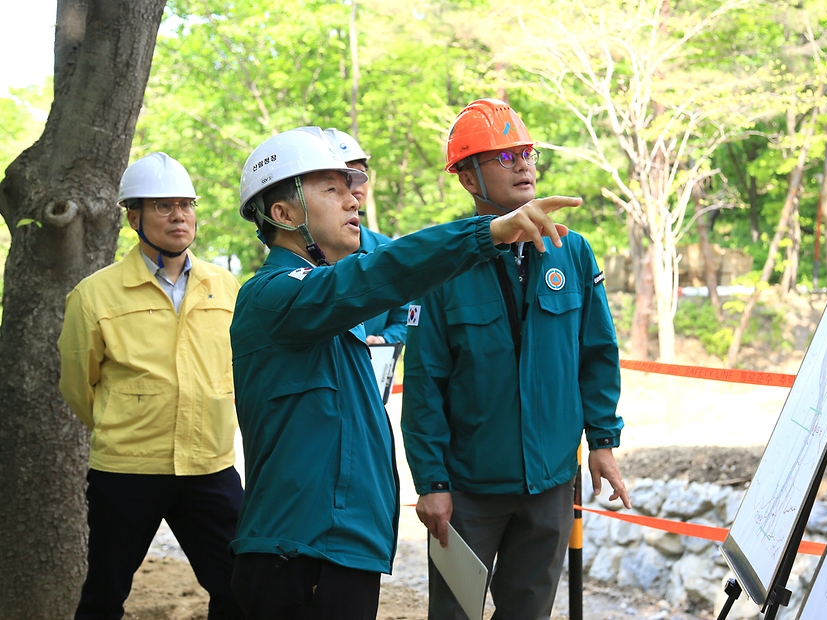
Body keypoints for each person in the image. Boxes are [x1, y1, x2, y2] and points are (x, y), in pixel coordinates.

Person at [227, 126, 579, 620]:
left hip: (340, 551)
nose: (353, 199)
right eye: (331, 189)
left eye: (352, 186)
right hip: (297, 556)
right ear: (283, 215)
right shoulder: (273, 296)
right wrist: (491, 232)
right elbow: (380, 274)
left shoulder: (323, 306)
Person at [400, 98, 631, 620]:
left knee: (528, 614)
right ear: (467, 178)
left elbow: (597, 353)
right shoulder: (443, 264)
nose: (523, 164)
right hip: (468, 490)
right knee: (454, 614)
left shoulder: (573, 252)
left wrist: (603, 442)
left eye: (525, 152)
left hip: (550, 483)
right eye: (503, 157)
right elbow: (424, 384)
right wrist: (432, 483)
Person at [58, 152, 244, 620]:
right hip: (126, 472)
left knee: (242, 589)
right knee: (104, 595)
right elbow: (80, 386)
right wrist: (127, 423)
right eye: (163, 206)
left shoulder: (226, 288)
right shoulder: (94, 295)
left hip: (209, 468)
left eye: (186, 204)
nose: (179, 215)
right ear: (133, 216)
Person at [324, 128, 408, 345]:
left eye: (361, 173)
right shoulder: (306, 253)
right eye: (347, 175)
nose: (357, 183)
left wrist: (384, 339)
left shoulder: (385, 249)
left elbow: (405, 317)